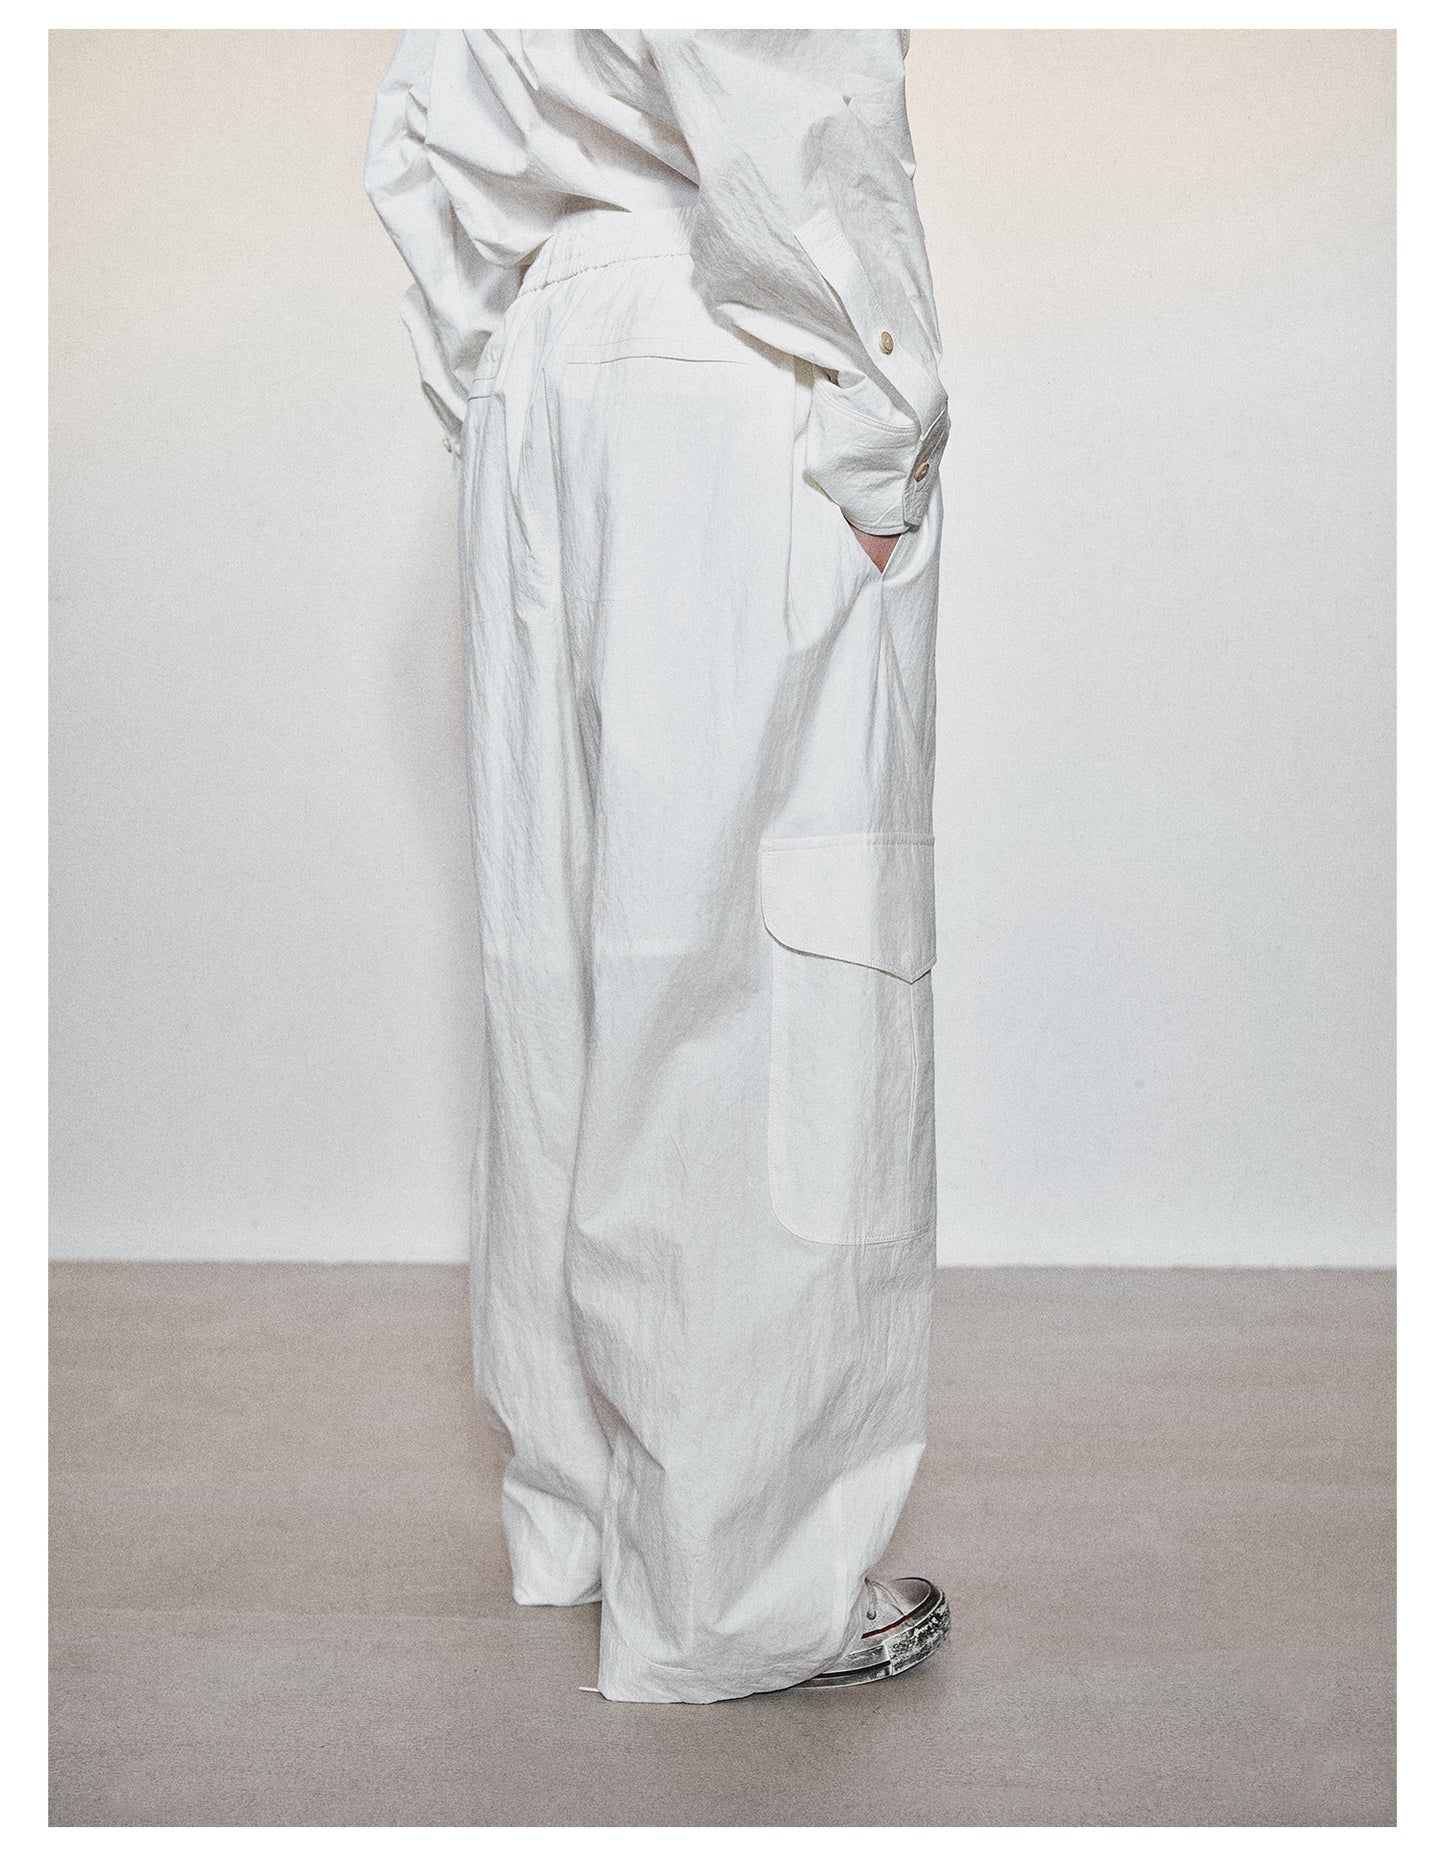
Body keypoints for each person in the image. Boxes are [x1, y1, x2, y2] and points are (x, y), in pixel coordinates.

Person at [365, 28, 951, 1704]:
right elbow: (784, 78)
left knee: (562, 951)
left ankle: (584, 1512)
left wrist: (499, 379)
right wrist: (885, 404)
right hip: (724, 330)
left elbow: (418, 136)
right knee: (755, 962)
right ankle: (735, 1586)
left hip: (543, 341)